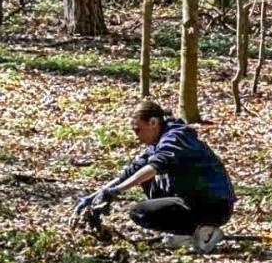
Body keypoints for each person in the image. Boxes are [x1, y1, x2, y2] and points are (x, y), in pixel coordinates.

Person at [73, 99, 235, 253]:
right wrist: (95, 195)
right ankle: (187, 235)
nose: (136, 136)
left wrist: (116, 191)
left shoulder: (176, 138)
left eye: (138, 130)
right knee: (142, 177)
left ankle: (205, 231)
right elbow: (132, 171)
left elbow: (156, 165)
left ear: (153, 123)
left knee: (140, 212)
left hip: (213, 205)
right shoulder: (160, 140)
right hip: (192, 200)